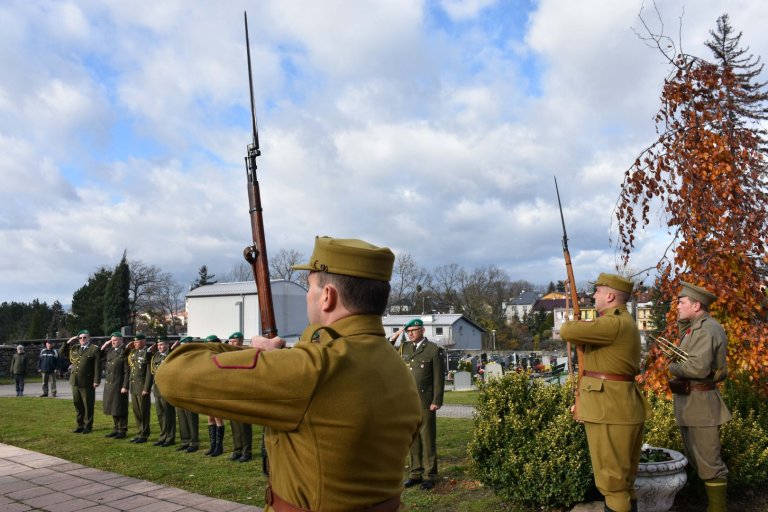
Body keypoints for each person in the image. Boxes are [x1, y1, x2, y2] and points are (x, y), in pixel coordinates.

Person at [157, 236, 423, 511]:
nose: (308, 296)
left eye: (309, 287)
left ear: (328, 296)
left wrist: (258, 353)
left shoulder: (314, 368)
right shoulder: (394, 363)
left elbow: (173, 375)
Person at [559, 273, 649, 512]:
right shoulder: (621, 322)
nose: (593, 295)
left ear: (610, 296)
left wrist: (577, 320)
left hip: (610, 409)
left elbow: (567, 330)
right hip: (619, 407)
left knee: (613, 484)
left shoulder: (613, 323)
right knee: (624, 482)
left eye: (597, 291)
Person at [668, 281, 731, 512]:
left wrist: (673, 367)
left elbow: (697, 369)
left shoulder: (707, 328)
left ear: (696, 306)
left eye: (682, 302)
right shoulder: (695, 327)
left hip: (702, 407)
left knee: (709, 464)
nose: (678, 307)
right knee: (698, 460)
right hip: (692, 404)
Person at [390, 318, 445, 490]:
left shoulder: (433, 350)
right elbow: (385, 351)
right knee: (413, 439)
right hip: (408, 402)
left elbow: (438, 378)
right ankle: (415, 473)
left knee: (427, 438)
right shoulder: (404, 347)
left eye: (414, 330)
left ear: (422, 330)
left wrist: (437, 400)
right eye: (408, 331)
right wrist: (396, 335)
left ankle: (429, 475)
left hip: (426, 401)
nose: (410, 333)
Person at [61, 330, 102, 433]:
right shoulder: (75, 348)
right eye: (80, 338)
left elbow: (98, 366)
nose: (82, 339)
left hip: (87, 381)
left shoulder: (94, 349)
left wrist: (96, 380)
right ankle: (80, 425)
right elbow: (61, 352)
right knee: (77, 404)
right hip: (75, 381)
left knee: (88, 404)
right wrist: (69, 341)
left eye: (85, 337)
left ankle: (88, 426)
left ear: (89, 338)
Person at [226, 331, 253, 462]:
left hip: (243, 392)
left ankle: (246, 451)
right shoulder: (228, 355)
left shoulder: (246, 355)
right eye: (230, 341)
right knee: (234, 422)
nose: (231, 344)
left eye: (234, 342)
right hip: (231, 391)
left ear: (241, 342)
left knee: (243, 423)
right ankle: (237, 449)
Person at [172, 337, 200, 453]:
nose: (183, 348)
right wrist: (173, 348)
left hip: (190, 391)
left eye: (185, 345)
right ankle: (185, 441)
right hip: (178, 390)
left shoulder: (195, 358)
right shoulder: (179, 357)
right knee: (182, 417)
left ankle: (194, 442)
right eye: (182, 345)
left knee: (191, 417)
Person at [101, 332, 130, 439]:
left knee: (120, 407)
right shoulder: (111, 351)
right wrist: (104, 346)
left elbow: (127, 371)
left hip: (119, 384)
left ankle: (122, 430)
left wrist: (125, 386)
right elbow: (100, 357)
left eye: (116, 340)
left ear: (121, 340)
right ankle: (116, 428)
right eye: (112, 340)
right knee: (113, 407)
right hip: (110, 384)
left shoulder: (125, 351)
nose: (113, 342)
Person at [201, 334, 227, 457]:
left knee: (218, 418)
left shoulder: (220, 356)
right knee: (210, 417)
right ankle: (212, 445)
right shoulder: (206, 357)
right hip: (207, 388)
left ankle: (219, 446)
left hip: (217, 389)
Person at [126, 333, 153, 443]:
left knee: (144, 412)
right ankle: (140, 432)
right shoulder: (135, 353)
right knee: (137, 412)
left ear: (143, 342)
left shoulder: (148, 353)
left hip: (142, 388)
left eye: (137, 342)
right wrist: (128, 347)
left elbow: (149, 373)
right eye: (134, 342)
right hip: (134, 386)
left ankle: (144, 434)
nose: (135, 344)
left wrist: (146, 388)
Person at [150, 336, 176, 447]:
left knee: (168, 414)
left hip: (167, 389)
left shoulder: (171, 356)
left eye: (162, 345)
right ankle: (163, 436)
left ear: (167, 345)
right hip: (157, 389)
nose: (159, 347)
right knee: (161, 414)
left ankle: (170, 437)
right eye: (158, 345)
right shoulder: (156, 355)